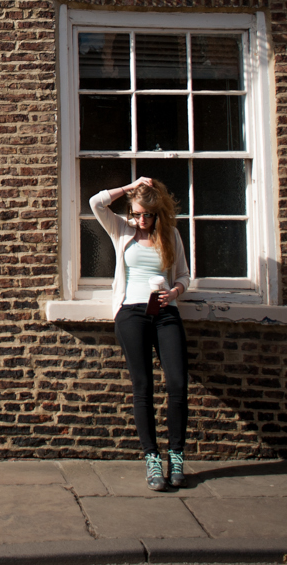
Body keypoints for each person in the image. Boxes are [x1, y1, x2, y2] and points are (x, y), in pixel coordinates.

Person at [89, 176, 192, 491]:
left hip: (164, 313)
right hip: (132, 313)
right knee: (143, 386)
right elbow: (96, 202)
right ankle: (151, 457)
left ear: (158, 213)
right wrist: (130, 186)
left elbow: (184, 275)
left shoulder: (171, 235)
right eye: (136, 213)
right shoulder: (122, 230)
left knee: (177, 383)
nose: (142, 220)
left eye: (148, 214)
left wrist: (174, 292)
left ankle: (175, 454)